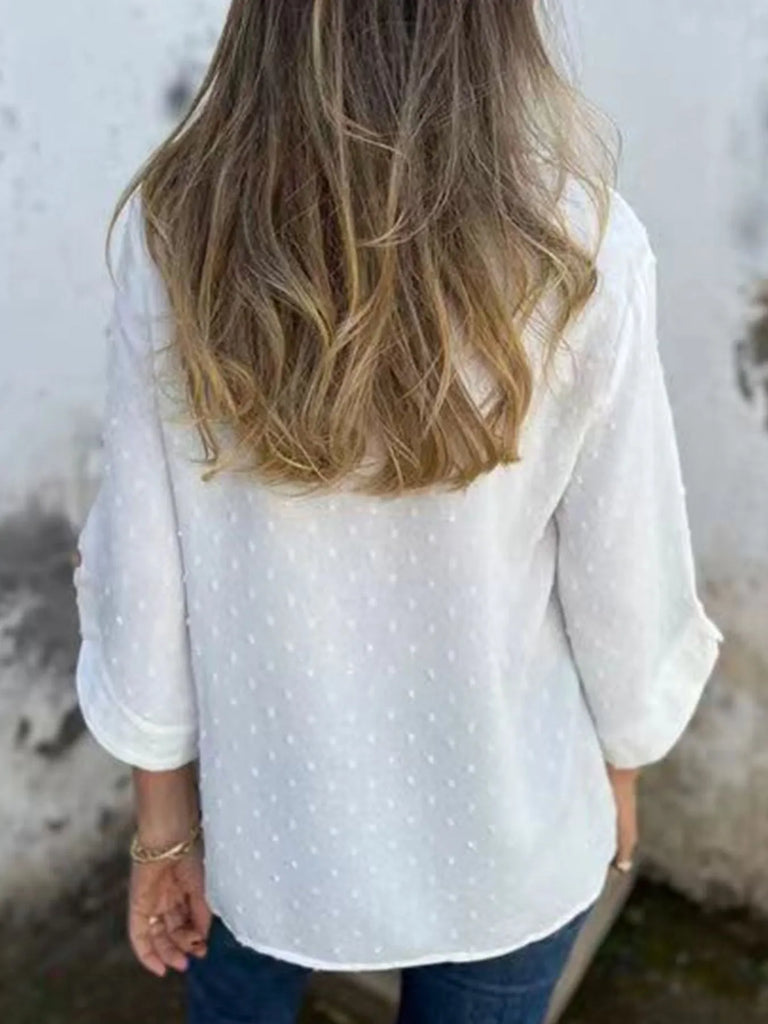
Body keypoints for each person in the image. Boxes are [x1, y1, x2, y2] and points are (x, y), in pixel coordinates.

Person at [72, 2, 724, 1022]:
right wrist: (622, 767)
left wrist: (162, 826)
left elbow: (142, 575)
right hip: (509, 831)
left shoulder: (180, 232)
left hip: (261, 823)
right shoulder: (583, 244)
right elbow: (625, 570)